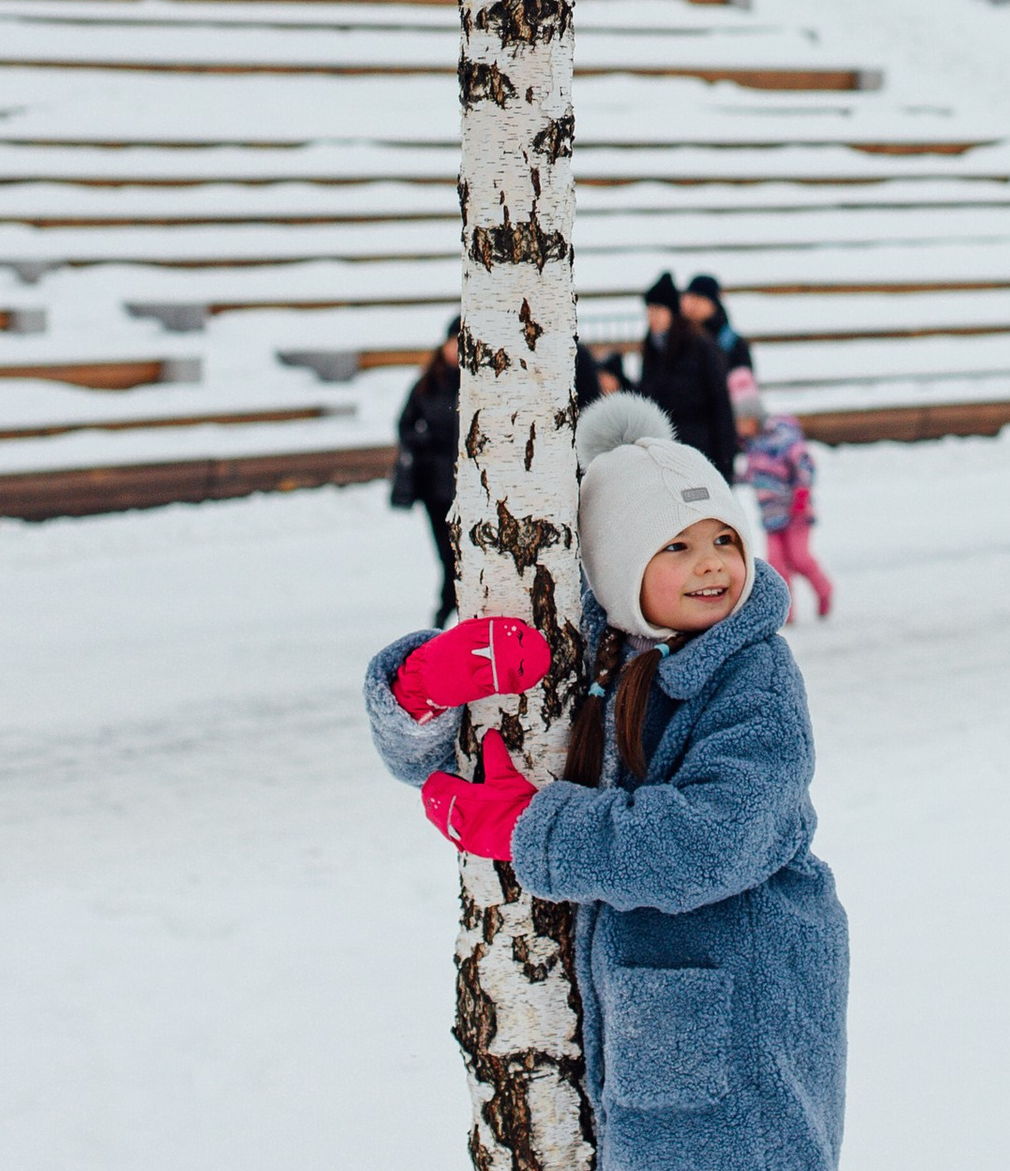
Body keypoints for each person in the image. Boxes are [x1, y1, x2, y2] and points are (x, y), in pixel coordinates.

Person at [362, 392, 848, 1171]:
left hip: (746, 1039)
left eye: (723, 538)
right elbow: (452, 767)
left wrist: (535, 829)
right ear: (619, 567)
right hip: (655, 1033)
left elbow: (709, 842)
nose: (712, 564)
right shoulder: (590, 650)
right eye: (676, 547)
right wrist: (416, 693)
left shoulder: (754, 674)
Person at [737, 385, 832, 622]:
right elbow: (753, 474)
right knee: (777, 565)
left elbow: (805, 465)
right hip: (771, 517)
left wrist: (801, 495)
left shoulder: (783, 438)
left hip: (795, 511)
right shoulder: (752, 446)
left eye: (742, 421)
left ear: (754, 419)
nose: (739, 427)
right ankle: (785, 613)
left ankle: (824, 590)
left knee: (799, 558)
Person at [635, 270, 740, 478]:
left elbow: (720, 405)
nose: (652, 317)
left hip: (700, 454)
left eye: (658, 310)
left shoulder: (701, 347)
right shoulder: (652, 348)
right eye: (649, 310)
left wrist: (726, 464)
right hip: (665, 455)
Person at [392, 320, 462, 622]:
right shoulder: (428, 383)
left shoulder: (480, 384)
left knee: (463, 556)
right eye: (454, 342)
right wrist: (427, 440)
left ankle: (450, 608)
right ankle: (446, 607)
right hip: (435, 487)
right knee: (446, 555)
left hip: (466, 486)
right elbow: (405, 425)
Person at [680, 272, 755, 378]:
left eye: (699, 299)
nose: (692, 305)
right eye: (689, 298)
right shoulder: (672, 338)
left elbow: (744, 389)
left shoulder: (732, 344)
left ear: (714, 305)